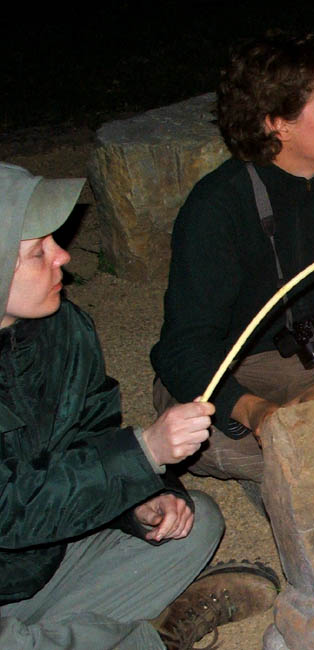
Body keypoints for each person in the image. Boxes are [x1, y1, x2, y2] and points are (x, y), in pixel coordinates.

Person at [0, 163, 277, 650]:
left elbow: (88, 434)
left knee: (194, 523)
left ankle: (82, 636)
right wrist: (143, 453)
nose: (63, 254)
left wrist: (136, 498)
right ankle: (150, 639)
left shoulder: (64, 327)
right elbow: (11, 509)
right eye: (37, 252)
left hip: (49, 562)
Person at [150, 33, 314, 489]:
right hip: (228, 375)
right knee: (215, 441)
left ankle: (304, 468)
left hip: (308, 358)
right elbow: (182, 350)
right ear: (278, 123)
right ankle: (301, 470)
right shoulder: (217, 206)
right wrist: (256, 412)